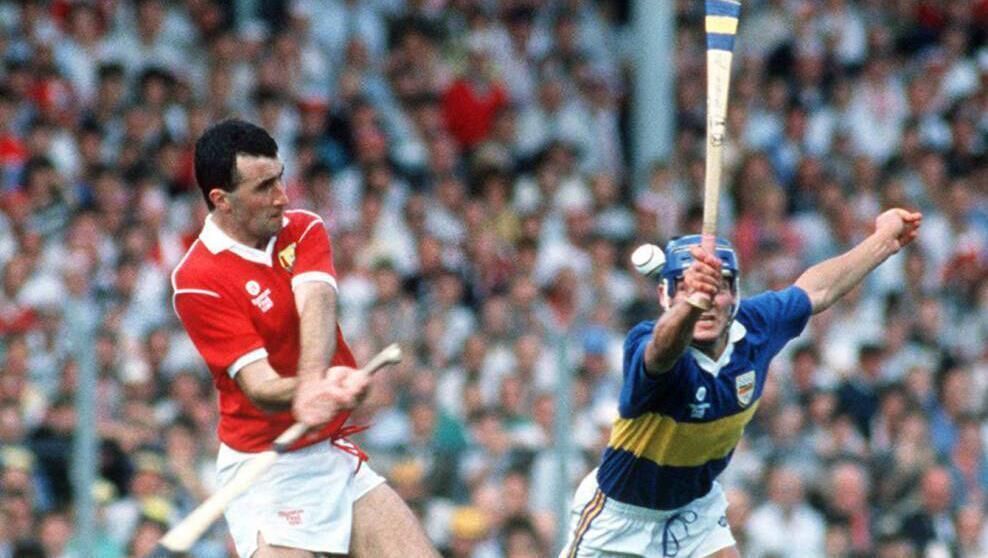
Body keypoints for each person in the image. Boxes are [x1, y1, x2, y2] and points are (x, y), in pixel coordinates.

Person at [560, 208, 922, 558]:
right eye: (685, 288)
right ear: (664, 297)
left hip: (693, 508)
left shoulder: (755, 326)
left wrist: (882, 242)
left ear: (735, 293)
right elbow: (663, 349)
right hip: (621, 519)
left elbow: (818, 290)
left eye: (718, 288)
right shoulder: (649, 342)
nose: (708, 302)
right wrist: (692, 303)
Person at [171, 119, 438, 558]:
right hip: (266, 469)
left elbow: (315, 300)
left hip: (329, 453)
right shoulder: (197, 279)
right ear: (221, 200)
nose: (283, 196)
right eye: (264, 188)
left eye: (280, 178)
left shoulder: (303, 227)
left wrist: (317, 381)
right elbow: (258, 385)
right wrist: (311, 388)